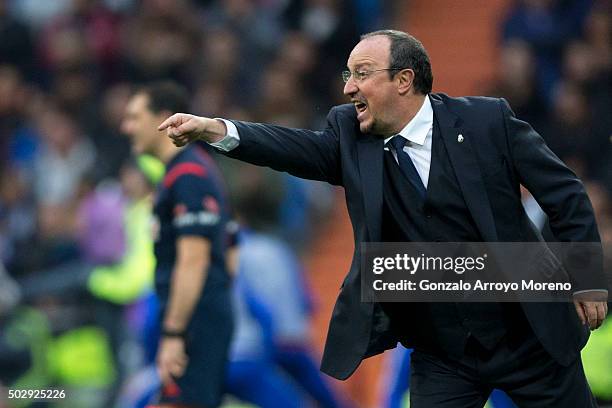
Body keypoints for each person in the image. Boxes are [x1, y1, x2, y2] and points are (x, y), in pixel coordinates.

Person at [158, 30, 609, 407]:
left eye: (362, 74)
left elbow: (565, 194)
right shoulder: (350, 136)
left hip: (527, 332)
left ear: (404, 80)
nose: (348, 87)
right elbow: (291, 147)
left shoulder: (487, 120)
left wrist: (585, 279)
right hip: (443, 350)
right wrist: (215, 129)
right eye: (347, 75)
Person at [122, 81, 234, 408]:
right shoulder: (194, 170)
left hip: (193, 325)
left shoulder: (186, 175)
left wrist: (175, 333)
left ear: (162, 118)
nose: (125, 127)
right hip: (202, 318)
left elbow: (193, 261)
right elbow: (231, 247)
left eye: (134, 117)